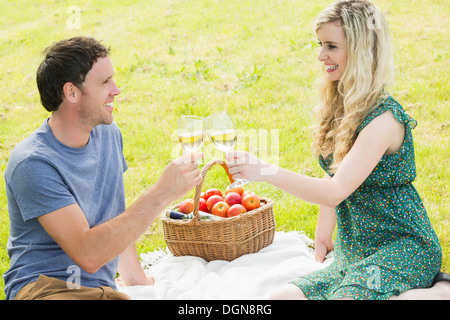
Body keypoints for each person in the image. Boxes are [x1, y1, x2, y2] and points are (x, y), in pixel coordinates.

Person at [225, 0, 450, 300]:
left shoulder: (384, 119)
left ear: (360, 50)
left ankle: (441, 289)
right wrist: (323, 234)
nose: (321, 55)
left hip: (402, 246)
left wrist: (265, 170)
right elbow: (335, 175)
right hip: (354, 252)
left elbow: (335, 190)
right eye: (320, 44)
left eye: (331, 46)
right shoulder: (339, 104)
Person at [3, 37, 203, 300]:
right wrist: (161, 194)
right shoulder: (33, 163)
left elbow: (112, 218)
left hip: (100, 291)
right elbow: (88, 254)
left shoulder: (108, 134)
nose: (116, 90)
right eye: (105, 82)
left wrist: (137, 280)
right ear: (71, 92)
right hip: (45, 290)